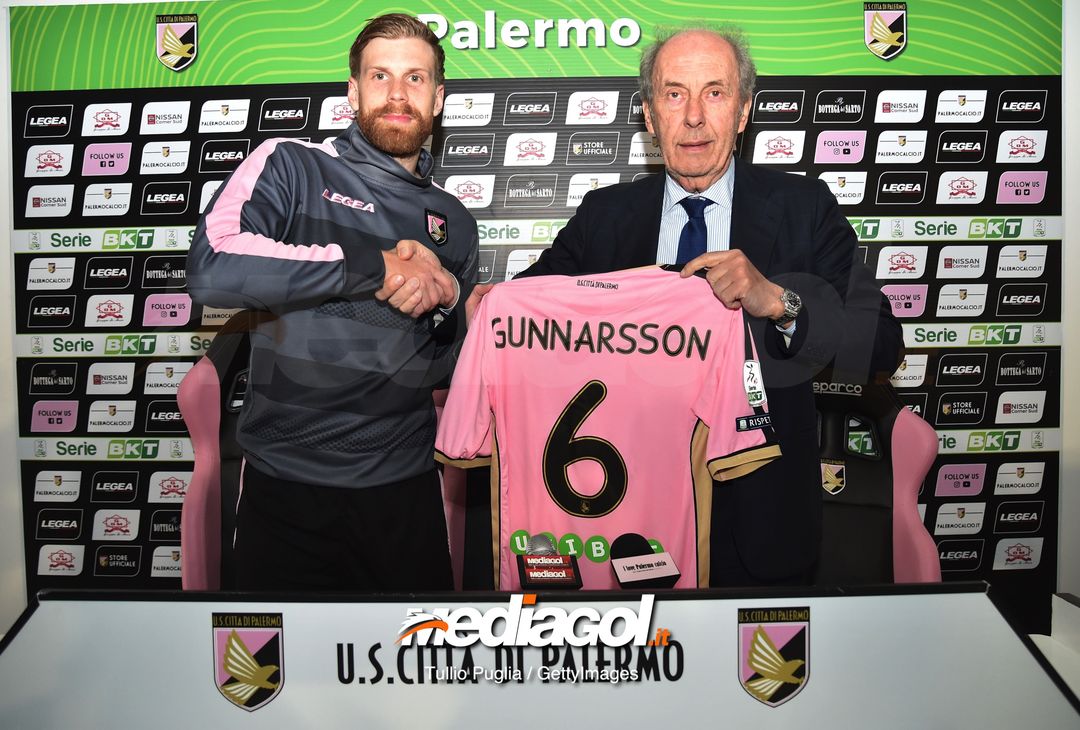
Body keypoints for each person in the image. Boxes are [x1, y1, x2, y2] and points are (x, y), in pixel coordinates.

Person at [515, 26, 904, 586]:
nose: (694, 116)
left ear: (744, 111)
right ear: (650, 116)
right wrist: (466, 299)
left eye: (715, 93)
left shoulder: (803, 208)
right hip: (625, 515)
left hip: (762, 523)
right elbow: (525, 314)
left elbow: (879, 346)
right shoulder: (605, 216)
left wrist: (780, 302)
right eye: (674, 94)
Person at [186, 13, 478, 591]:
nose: (398, 94)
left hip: (405, 495)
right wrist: (372, 267)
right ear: (353, 91)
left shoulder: (455, 223)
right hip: (287, 492)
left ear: (438, 98)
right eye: (380, 76)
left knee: (421, 678)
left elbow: (445, 365)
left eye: (416, 79)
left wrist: (448, 307)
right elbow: (211, 271)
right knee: (277, 680)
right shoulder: (292, 165)